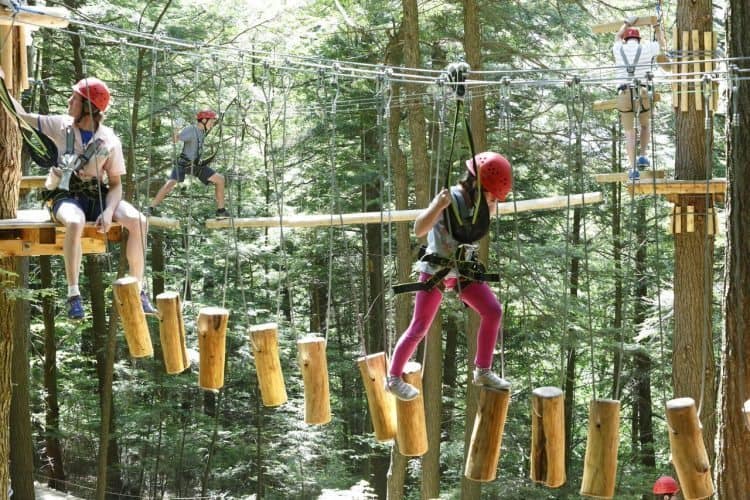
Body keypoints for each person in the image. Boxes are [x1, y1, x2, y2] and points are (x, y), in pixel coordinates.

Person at [1, 70, 156, 319]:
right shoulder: (59, 125)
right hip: (64, 195)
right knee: (75, 221)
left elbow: (115, 184)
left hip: (97, 195)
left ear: (89, 107)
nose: (69, 103)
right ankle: (74, 294)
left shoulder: (108, 140)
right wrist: (2, 87)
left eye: (74, 99)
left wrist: (107, 212)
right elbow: (21, 116)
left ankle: (138, 289)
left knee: (139, 221)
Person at [385, 152, 513, 401]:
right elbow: (419, 229)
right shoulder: (450, 198)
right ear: (478, 185)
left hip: (462, 271)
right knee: (420, 326)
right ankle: (393, 378)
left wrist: (491, 205)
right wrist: (437, 206)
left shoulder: (480, 205)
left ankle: (483, 370)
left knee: (493, 310)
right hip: (436, 271)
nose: (492, 201)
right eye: (490, 195)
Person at [613, 16, 666, 179]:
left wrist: (627, 23)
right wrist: (656, 26)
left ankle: (633, 168)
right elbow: (663, 44)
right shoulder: (647, 48)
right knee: (644, 125)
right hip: (642, 92)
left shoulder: (618, 49)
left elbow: (616, 37)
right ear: (638, 39)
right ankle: (642, 155)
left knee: (629, 132)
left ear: (626, 38)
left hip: (623, 93)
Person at [148, 109, 228, 218]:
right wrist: (176, 128)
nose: (213, 124)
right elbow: (175, 140)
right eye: (211, 121)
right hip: (183, 163)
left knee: (220, 179)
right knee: (170, 184)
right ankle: (150, 208)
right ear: (204, 120)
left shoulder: (202, 131)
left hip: (195, 165)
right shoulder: (191, 129)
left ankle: (221, 211)